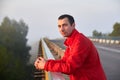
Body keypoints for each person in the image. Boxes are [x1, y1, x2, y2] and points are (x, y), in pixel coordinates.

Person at [34, 14, 106, 80]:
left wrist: (46, 65)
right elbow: (64, 61)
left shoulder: (79, 41)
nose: (61, 29)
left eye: (65, 25)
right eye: (59, 26)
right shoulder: (72, 41)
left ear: (73, 25)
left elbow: (69, 67)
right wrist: (46, 62)